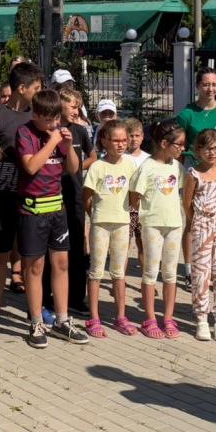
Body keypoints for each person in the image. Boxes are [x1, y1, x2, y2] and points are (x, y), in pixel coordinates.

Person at [15, 89, 88, 348]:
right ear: (35, 115)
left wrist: (67, 147)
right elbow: (31, 166)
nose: (53, 124)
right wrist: (52, 141)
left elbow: (73, 169)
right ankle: (36, 322)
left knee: (62, 264)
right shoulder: (25, 133)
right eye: (48, 120)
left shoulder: (59, 132)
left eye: (56, 119)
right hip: (33, 210)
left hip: (58, 208)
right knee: (35, 268)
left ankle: (62, 319)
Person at [0, 62, 41, 330]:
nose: (39, 92)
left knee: (33, 257)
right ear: (22, 88)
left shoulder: (38, 116)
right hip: (3, 194)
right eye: (36, 88)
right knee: (0, 255)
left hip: (34, 194)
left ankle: (36, 313)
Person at [129, 121, 186, 340]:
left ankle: (168, 317)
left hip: (174, 226)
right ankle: (150, 318)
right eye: (178, 144)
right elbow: (134, 198)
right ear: (164, 143)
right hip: (152, 226)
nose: (182, 148)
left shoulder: (177, 167)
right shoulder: (147, 167)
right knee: (151, 272)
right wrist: (139, 223)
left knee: (170, 273)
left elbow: (182, 191)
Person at [81, 119, 136, 338]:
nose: (121, 144)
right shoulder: (97, 166)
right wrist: (95, 216)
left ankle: (121, 316)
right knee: (96, 271)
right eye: (116, 140)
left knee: (119, 272)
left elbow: (135, 195)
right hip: (101, 225)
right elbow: (87, 197)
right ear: (104, 141)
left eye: (124, 140)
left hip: (122, 224)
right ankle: (94, 317)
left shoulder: (130, 165)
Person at [182, 129, 216, 342]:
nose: (211, 153)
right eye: (206, 149)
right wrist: (198, 220)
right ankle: (202, 318)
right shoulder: (193, 174)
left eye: (215, 148)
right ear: (198, 151)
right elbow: (187, 203)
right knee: (201, 273)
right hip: (202, 226)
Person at [53, 87, 94, 318]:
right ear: (60, 105)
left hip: (76, 194)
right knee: (55, 246)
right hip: (54, 195)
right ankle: (50, 297)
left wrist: (76, 168)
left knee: (78, 246)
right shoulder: (51, 130)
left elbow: (93, 156)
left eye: (79, 107)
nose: (77, 111)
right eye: (73, 106)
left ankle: (77, 298)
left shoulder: (79, 131)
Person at [123, 118, 150, 261]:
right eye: (131, 135)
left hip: (143, 208)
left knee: (143, 244)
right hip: (125, 207)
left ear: (142, 136)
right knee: (123, 246)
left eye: (137, 135)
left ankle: (145, 274)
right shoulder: (121, 157)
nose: (134, 139)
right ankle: (121, 275)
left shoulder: (149, 159)